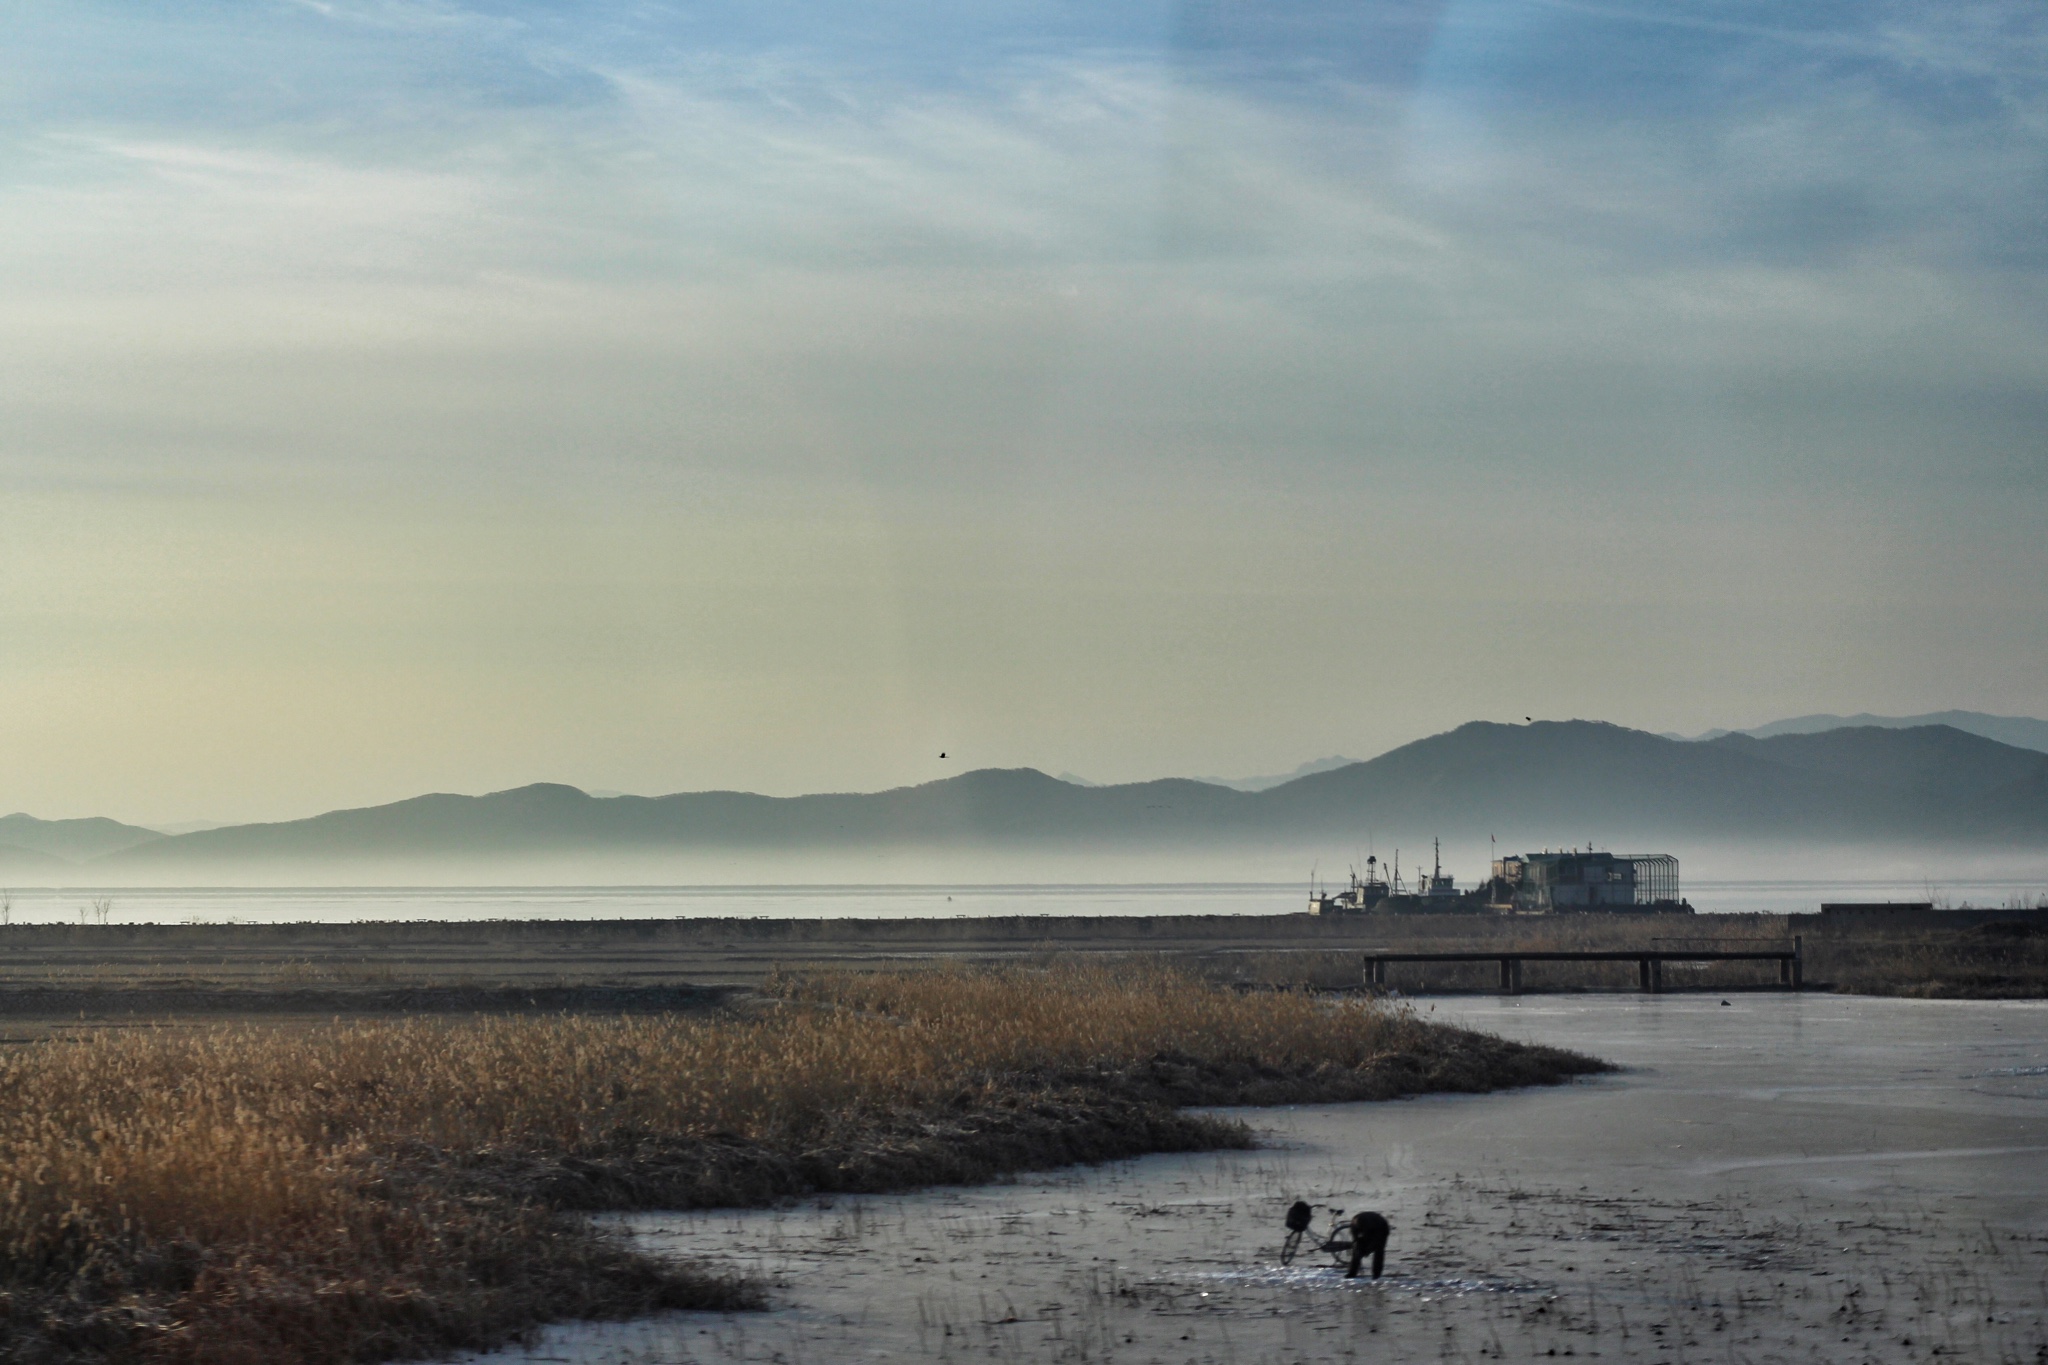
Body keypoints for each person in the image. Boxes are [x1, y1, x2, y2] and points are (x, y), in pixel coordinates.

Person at [1345, 1211, 1390, 1279]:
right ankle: (1352, 1273)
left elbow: (1368, 1237)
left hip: (1381, 1227)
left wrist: (1366, 1250)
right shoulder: (1355, 1224)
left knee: (1378, 1250)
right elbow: (1356, 1240)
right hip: (1377, 1224)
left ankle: (1376, 1273)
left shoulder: (1364, 1224)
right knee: (1358, 1251)